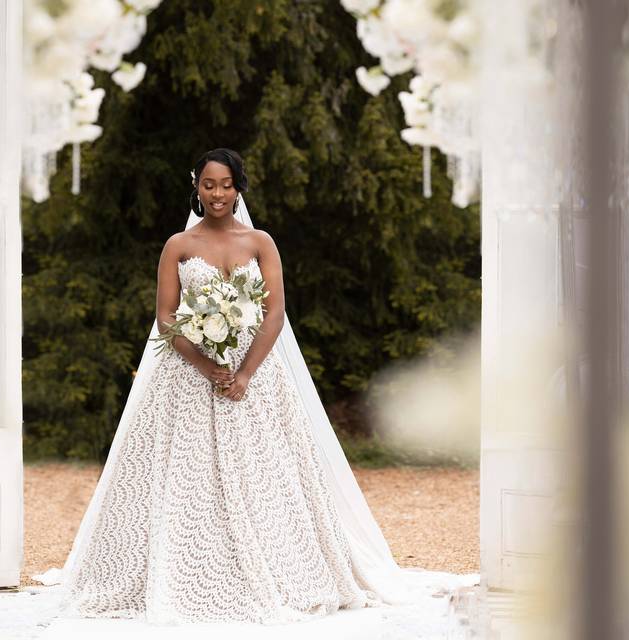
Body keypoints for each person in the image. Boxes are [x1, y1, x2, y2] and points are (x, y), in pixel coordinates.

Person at [47, 148, 401, 624]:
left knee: (266, 472)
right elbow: (167, 317)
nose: (217, 193)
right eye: (209, 184)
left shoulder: (260, 242)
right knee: (186, 476)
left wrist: (246, 371)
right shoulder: (178, 245)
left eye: (226, 184)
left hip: (255, 372)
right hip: (191, 374)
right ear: (196, 187)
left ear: (239, 188)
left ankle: (281, 567)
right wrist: (206, 364)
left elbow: (274, 312)